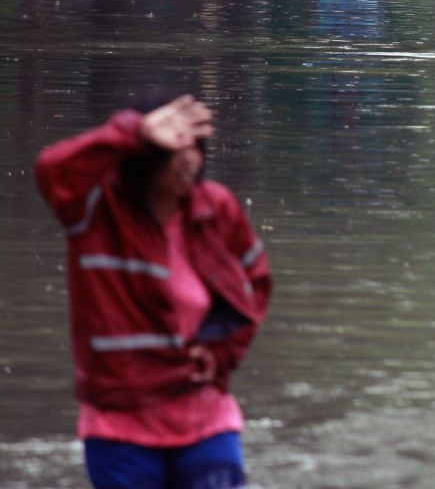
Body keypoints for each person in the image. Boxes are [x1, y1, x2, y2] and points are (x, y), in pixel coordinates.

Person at [34, 93, 272, 489]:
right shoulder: (96, 211)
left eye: (195, 147)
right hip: (119, 420)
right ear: (143, 155)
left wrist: (222, 352)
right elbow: (52, 171)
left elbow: (254, 285)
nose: (189, 160)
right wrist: (133, 132)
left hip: (203, 410)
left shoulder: (216, 209)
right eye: (175, 148)